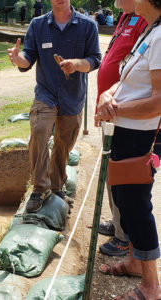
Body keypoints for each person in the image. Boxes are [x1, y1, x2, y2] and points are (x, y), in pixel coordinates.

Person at [7, 0, 101, 213]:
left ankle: (57, 186)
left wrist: (77, 64)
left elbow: (95, 59)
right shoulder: (37, 25)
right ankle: (40, 188)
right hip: (46, 93)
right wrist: (18, 58)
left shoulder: (88, 25)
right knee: (40, 130)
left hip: (73, 96)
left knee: (63, 144)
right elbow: (28, 58)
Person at [95, 0, 161, 297]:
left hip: (139, 136)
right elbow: (124, 79)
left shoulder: (160, 36)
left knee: (136, 206)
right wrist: (108, 95)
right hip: (126, 130)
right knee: (124, 200)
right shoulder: (150, 30)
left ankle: (151, 286)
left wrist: (115, 109)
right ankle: (135, 261)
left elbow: (158, 101)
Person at [96, 0, 147, 256]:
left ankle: (124, 235)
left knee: (122, 176)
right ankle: (117, 224)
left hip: (124, 113)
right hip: (111, 110)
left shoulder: (146, 20)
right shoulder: (126, 16)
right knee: (110, 172)